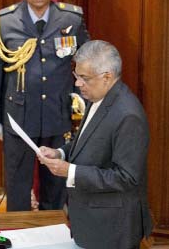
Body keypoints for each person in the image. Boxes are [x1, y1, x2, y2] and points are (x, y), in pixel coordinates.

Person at [0, 0, 90, 211]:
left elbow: (87, 62)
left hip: (58, 116)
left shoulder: (71, 20)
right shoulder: (4, 23)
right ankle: (19, 235)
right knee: (17, 186)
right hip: (18, 118)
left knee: (55, 186)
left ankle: (52, 233)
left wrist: (86, 104)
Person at [38, 40, 152, 249]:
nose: (78, 83)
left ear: (107, 77)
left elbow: (126, 178)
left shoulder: (128, 115)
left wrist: (70, 172)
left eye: (84, 78)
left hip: (112, 230)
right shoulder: (97, 97)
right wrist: (60, 153)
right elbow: (85, 142)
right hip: (90, 223)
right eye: (77, 76)